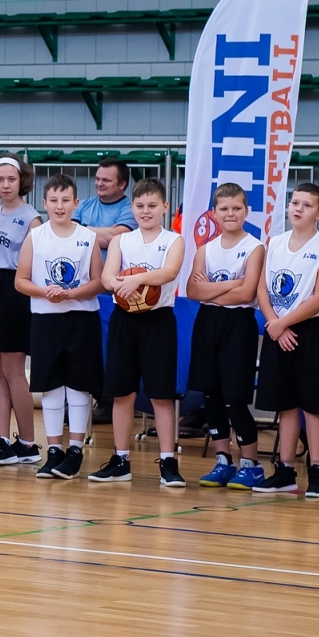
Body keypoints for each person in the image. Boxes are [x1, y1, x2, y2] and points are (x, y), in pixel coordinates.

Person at [91, 177, 185, 487]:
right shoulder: (122, 240)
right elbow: (107, 277)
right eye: (140, 206)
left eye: (152, 206)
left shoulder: (173, 240)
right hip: (124, 319)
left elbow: (170, 272)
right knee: (122, 392)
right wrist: (122, 285)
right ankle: (121, 459)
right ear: (132, 208)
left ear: (164, 207)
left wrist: (136, 280)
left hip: (158, 321)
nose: (146, 211)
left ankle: (169, 461)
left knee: (161, 394)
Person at [252, 182, 319, 498]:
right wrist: (274, 323)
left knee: (314, 405)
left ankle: (318, 470)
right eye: (294, 202)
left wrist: (282, 324)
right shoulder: (274, 242)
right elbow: (261, 287)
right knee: (286, 404)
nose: (298, 208)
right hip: (277, 327)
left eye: (306, 204)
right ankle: (285, 470)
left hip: (309, 330)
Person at [16, 174, 105, 479]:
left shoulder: (88, 237)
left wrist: (70, 293)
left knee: (78, 384)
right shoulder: (35, 237)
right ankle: (53, 449)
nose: (59, 205)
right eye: (53, 200)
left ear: (76, 203)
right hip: (45, 318)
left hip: (81, 317)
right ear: (44, 203)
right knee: (51, 383)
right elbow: (21, 281)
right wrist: (47, 292)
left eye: (65, 200)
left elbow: (98, 282)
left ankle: (76, 448)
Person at [187, 183, 266, 490]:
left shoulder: (255, 247)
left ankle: (251, 464)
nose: (230, 214)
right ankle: (223, 461)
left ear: (246, 211)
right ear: (214, 213)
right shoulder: (206, 250)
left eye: (236, 208)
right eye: (224, 208)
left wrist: (215, 290)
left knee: (235, 397)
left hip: (239, 323)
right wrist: (230, 284)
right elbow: (194, 291)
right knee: (212, 394)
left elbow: (247, 292)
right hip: (208, 322)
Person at [0, 155, 41, 466]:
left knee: (14, 370)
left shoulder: (32, 219)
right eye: (0, 179)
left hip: (15, 291)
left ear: (22, 182)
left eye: (11, 179)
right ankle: (3, 439)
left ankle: (28, 442)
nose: (5, 184)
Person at [74, 158, 138, 250]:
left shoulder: (132, 209)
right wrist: (107, 232)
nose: (99, 184)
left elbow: (114, 240)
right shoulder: (82, 205)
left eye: (106, 180)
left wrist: (80, 229)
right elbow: (68, 234)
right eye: (97, 179)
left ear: (122, 184)